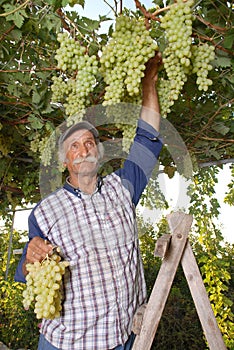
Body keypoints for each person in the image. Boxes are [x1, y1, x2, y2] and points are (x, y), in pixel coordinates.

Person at [15, 52, 163, 350]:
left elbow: (148, 139)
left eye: (89, 143)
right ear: (63, 160)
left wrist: (148, 83)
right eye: (74, 146)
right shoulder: (45, 211)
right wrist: (30, 257)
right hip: (68, 344)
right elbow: (25, 272)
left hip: (126, 338)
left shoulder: (123, 188)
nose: (83, 150)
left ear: (99, 152)